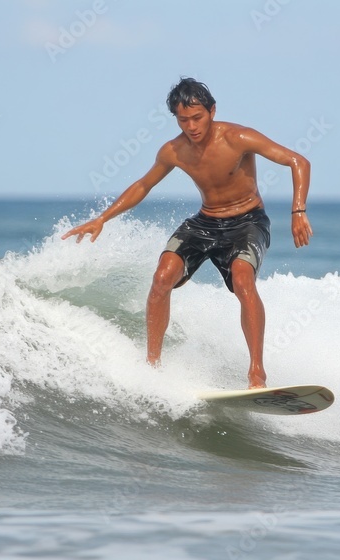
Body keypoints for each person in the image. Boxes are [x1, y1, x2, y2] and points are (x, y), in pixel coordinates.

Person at [61, 77, 312, 389]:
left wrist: (298, 211)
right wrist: (102, 219)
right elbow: (143, 185)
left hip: (248, 223)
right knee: (162, 278)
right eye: (183, 120)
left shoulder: (238, 137)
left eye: (198, 118)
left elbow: (297, 161)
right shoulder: (173, 151)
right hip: (204, 223)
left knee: (243, 278)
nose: (192, 127)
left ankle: (257, 374)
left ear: (212, 111)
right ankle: (151, 366)